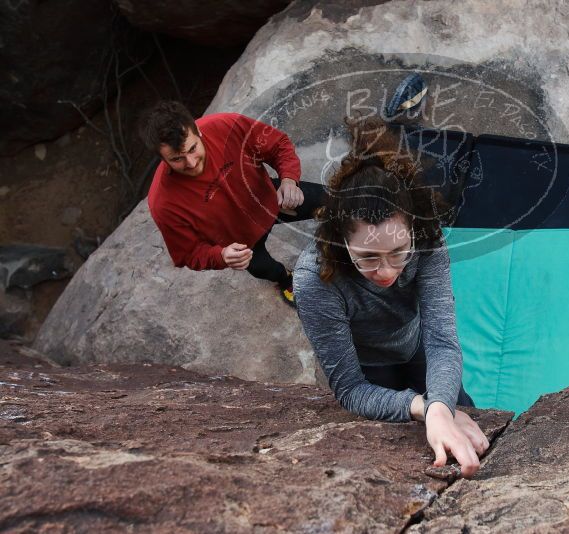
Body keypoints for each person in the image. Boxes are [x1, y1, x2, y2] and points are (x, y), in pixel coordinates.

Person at [293, 117, 489, 477]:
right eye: (367, 257)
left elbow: (442, 342)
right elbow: (351, 389)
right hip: (369, 367)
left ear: (412, 229)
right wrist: (426, 408)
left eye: (399, 251)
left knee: (467, 421)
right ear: (339, 240)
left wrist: (442, 406)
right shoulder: (314, 279)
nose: (386, 271)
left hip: (416, 346)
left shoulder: (427, 239)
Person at [141, 100, 323, 306]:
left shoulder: (225, 125)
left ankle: (346, 241)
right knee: (263, 268)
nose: (191, 163)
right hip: (241, 241)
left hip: (271, 199)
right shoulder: (163, 203)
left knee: (334, 202)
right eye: (177, 159)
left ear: (198, 131)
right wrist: (221, 256)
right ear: (161, 159)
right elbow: (188, 253)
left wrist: (289, 179)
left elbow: (277, 144)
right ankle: (286, 279)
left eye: (193, 149)